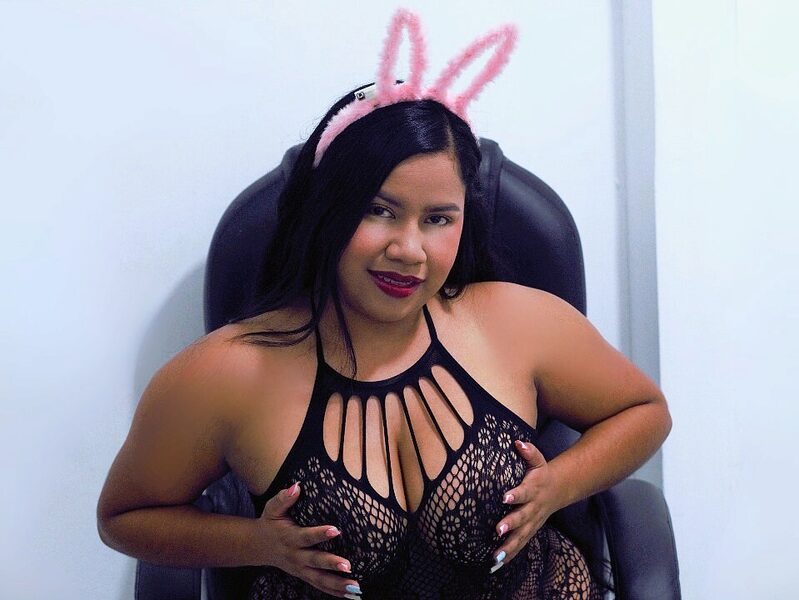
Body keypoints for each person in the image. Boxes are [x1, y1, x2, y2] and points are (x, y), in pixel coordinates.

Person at [97, 9, 671, 600]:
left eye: (438, 219)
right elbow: (124, 517)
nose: (408, 250)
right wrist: (258, 543)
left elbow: (645, 410)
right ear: (328, 212)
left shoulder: (517, 320)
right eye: (379, 210)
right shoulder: (230, 371)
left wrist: (559, 485)